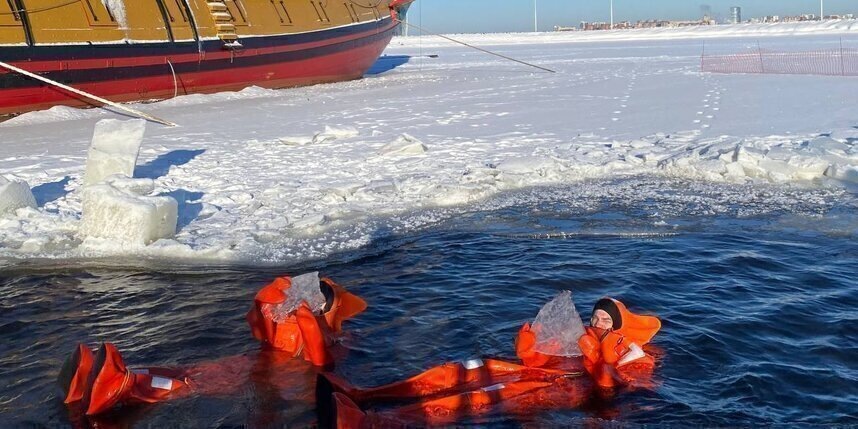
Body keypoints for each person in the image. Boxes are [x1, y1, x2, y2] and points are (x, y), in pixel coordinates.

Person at [318, 292, 660, 427]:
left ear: (616, 323)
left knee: (480, 395)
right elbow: (540, 355)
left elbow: (615, 387)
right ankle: (365, 394)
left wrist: (596, 362)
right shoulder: (581, 334)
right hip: (540, 373)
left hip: (570, 392)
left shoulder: (632, 351)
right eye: (596, 316)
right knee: (464, 370)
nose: (598, 322)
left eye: (605, 319)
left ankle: (374, 422)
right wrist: (527, 345)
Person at [58, 273, 366, 417]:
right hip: (251, 366)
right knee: (184, 371)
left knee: (189, 384)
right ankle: (93, 379)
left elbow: (323, 367)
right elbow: (263, 317)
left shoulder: (336, 339)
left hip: (268, 380)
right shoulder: (294, 325)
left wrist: (306, 321)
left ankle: (122, 386)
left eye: (317, 303)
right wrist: (279, 290)